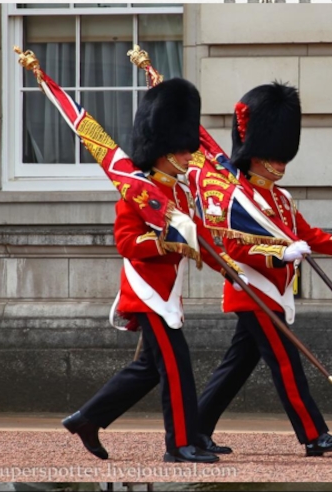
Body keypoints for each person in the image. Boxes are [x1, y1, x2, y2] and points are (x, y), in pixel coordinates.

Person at [196, 81, 332, 457]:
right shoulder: (239, 197)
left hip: (273, 293)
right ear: (255, 155)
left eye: (282, 156)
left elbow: (309, 235)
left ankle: (196, 429)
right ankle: (313, 435)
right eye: (274, 157)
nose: (281, 164)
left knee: (235, 367)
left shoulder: (281, 198)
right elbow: (235, 249)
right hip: (253, 292)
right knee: (286, 362)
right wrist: (280, 255)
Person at [62, 78, 229, 463]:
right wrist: (165, 243)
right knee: (176, 366)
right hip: (147, 293)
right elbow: (126, 243)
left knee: (150, 368)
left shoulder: (181, 191)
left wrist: (226, 264)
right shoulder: (136, 192)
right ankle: (180, 445)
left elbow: (199, 237)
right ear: (163, 151)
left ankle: (87, 419)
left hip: (169, 292)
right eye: (183, 150)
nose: (189, 156)